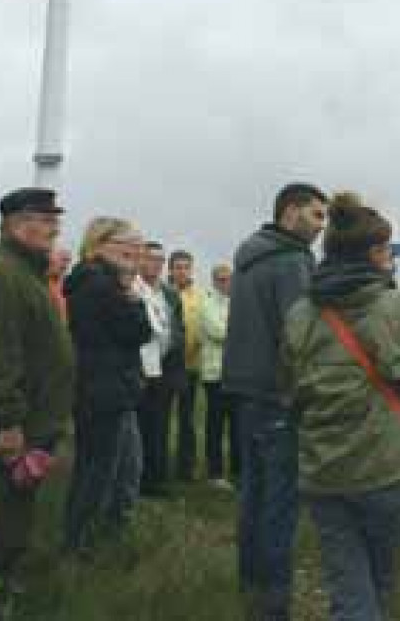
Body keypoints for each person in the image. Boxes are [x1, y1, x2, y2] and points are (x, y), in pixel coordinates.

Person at [283, 192, 400, 621]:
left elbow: (291, 385)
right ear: (375, 253)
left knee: (346, 584)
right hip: (386, 467)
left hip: (322, 470)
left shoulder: (300, 314)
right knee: (382, 580)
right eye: (387, 249)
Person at [222, 182, 328, 621]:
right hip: (279, 393)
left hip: (246, 390)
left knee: (254, 492)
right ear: (290, 213)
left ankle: (250, 583)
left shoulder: (250, 255)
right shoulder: (290, 261)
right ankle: (273, 604)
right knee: (279, 503)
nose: (322, 226)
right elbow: (299, 335)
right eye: (316, 215)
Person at [0, 188, 74, 585]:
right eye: (45, 221)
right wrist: (6, 423)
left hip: (30, 426)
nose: (54, 228)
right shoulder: (0, 278)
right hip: (9, 432)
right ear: (16, 225)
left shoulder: (24, 273)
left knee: (13, 526)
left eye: (54, 221)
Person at [62, 218, 152, 553]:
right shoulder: (101, 284)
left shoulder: (92, 279)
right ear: (99, 244)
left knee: (114, 468)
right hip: (104, 390)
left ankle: (95, 536)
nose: (134, 250)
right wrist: (132, 295)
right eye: (126, 243)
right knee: (98, 472)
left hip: (105, 388)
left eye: (138, 244)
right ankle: (80, 544)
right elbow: (139, 332)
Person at [134, 241, 186, 497]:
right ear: (139, 260)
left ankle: (157, 477)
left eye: (159, 260)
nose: (154, 264)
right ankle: (138, 478)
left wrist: (176, 372)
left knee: (160, 425)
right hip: (139, 369)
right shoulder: (133, 289)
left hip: (164, 369)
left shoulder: (169, 294)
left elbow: (178, 331)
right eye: (150, 258)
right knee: (139, 426)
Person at [202, 262, 240, 489]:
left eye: (230, 279)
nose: (227, 283)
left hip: (236, 373)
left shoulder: (238, 303)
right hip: (215, 373)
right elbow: (217, 332)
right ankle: (214, 472)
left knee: (238, 424)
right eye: (222, 279)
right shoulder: (207, 303)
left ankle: (238, 469)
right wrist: (238, 332)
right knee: (215, 424)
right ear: (215, 281)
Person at [170, 249, 203, 482]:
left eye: (186, 267)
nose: (182, 271)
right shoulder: (163, 292)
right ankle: (156, 462)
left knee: (187, 418)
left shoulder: (199, 296)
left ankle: (186, 466)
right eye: (178, 267)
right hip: (165, 367)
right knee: (159, 417)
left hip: (190, 366)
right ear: (170, 270)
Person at [47, 246, 72, 322]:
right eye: (63, 259)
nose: (65, 266)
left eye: (68, 262)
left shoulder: (63, 284)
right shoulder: (41, 281)